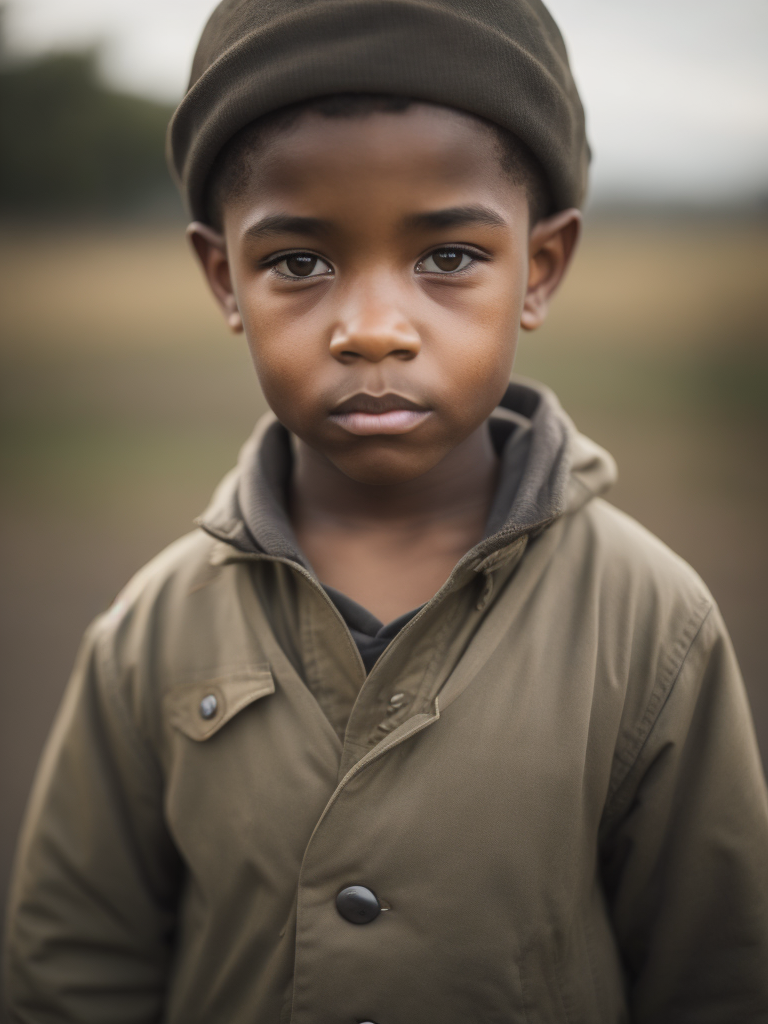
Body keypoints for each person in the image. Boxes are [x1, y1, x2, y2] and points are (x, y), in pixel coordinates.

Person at [4, 0, 768, 1021]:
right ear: (224, 279)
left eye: (447, 257)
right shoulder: (151, 632)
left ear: (539, 269)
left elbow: (719, 973)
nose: (372, 329)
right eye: (299, 263)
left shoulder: (651, 623)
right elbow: (73, 967)